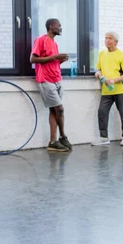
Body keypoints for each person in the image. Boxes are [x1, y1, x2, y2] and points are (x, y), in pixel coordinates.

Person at [30, 18, 72, 152]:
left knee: (54, 110)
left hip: (57, 79)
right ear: (50, 26)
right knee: (59, 109)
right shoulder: (40, 40)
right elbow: (33, 59)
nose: (60, 28)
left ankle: (53, 142)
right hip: (45, 80)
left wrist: (60, 60)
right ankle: (63, 136)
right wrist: (55, 57)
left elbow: (51, 62)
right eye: (58, 26)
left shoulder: (54, 43)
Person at [92, 32, 123, 146]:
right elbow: (98, 69)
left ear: (116, 42)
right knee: (102, 112)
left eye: (110, 38)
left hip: (120, 89)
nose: (107, 40)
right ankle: (104, 138)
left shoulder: (122, 55)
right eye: (106, 38)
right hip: (106, 90)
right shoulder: (102, 54)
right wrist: (98, 74)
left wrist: (113, 80)